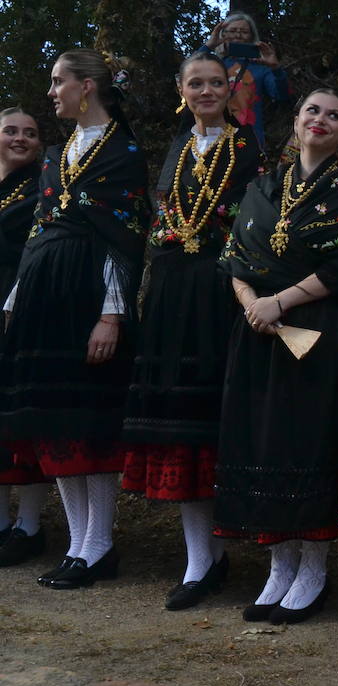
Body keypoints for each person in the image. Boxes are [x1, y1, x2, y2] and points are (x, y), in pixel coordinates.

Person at [215, 88, 338, 624]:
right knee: (264, 441)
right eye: (313, 110)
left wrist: (280, 301)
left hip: (317, 333)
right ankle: (279, 565)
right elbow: (235, 256)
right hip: (259, 331)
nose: (321, 119)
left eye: (334, 114)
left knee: (307, 441)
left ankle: (313, 570)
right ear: (297, 120)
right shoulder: (262, 186)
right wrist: (254, 306)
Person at [0, 50, 150, 590]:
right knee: (55, 421)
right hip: (45, 297)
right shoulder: (58, 153)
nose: (51, 91)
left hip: (88, 296)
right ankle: (77, 544)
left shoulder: (124, 153)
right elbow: (39, 230)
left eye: (58, 81)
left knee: (90, 420)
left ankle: (99, 543)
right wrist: (14, 299)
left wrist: (111, 314)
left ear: (86, 87)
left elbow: (123, 241)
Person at [122, 52, 265, 610]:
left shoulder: (248, 146)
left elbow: (254, 221)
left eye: (215, 83)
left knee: (216, 425)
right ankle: (199, 559)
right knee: (183, 429)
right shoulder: (179, 148)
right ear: (181, 92)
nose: (206, 91)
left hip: (222, 293)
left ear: (231, 89)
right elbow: (164, 219)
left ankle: (240, 547)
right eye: (195, 84)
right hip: (174, 293)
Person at [0, 108, 50, 568]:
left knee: (21, 419)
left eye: (30, 134)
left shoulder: (42, 187)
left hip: (20, 305)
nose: (21, 139)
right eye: (11, 131)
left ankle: (29, 525)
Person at [200, 11, 290, 144]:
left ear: (251, 36)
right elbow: (187, 75)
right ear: (223, 34)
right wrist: (209, 46)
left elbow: (281, 95)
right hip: (211, 135)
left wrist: (275, 67)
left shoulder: (261, 68)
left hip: (249, 139)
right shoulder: (213, 64)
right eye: (232, 31)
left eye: (244, 32)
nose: (238, 35)